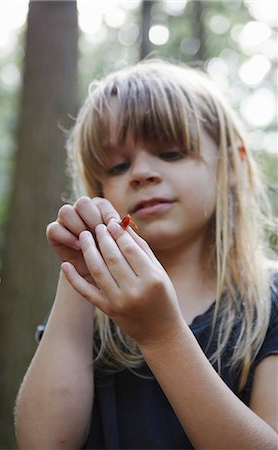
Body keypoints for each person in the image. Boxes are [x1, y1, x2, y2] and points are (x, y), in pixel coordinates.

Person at [14, 59, 278, 449]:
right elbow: (43, 442)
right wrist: (81, 277)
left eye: (170, 153)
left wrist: (161, 335)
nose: (140, 173)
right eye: (118, 166)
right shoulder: (92, 304)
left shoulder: (269, 297)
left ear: (233, 164)